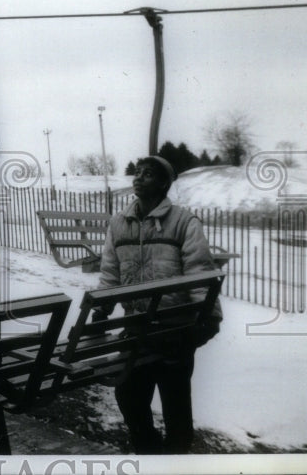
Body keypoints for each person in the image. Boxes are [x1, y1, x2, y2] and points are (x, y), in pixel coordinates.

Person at [96, 155, 222, 454]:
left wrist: (208, 319)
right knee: (129, 397)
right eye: (136, 172)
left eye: (148, 174)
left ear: (164, 183)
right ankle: (149, 455)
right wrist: (102, 307)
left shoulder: (183, 222)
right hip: (135, 327)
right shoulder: (119, 223)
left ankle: (175, 458)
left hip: (174, 330)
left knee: (175, 405)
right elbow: (110, 272)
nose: (138, 178)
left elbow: (200, 271)